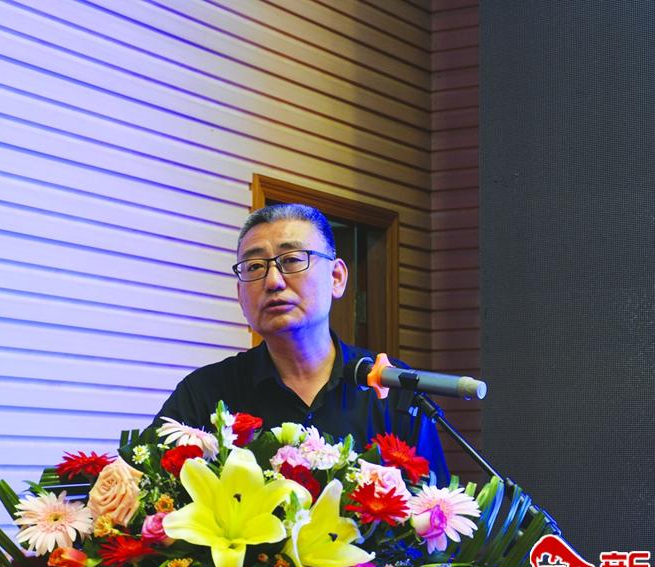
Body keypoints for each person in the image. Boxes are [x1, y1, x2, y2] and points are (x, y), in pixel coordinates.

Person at [149, 203, 448, 482]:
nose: (273, 281)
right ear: (240, 294)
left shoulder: (393, 388)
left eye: (291, 260)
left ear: (336, 277)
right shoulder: (204, 393)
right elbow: (148, 485)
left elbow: (433, 507)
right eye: (255, 267)